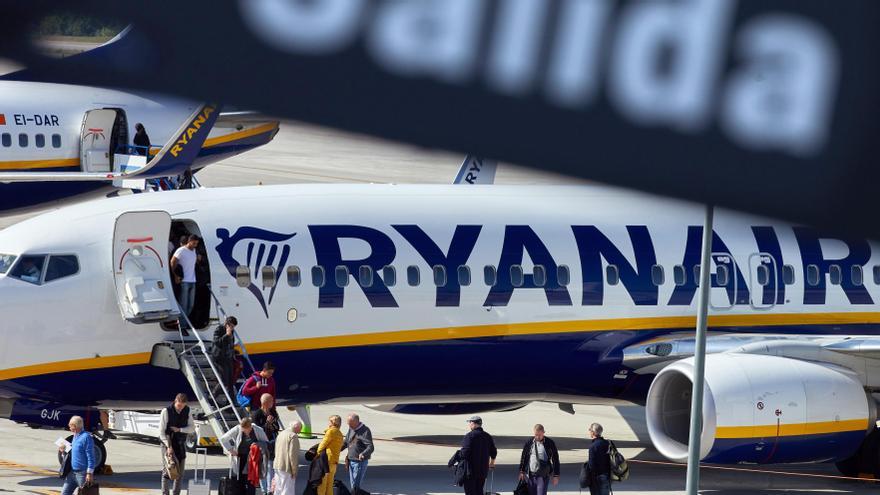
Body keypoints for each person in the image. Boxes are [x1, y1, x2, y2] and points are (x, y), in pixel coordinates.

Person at [220, 418, 270, 495]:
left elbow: (266, 443)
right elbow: (223, 438)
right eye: (243, 429)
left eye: (247, 429)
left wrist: (257, 444)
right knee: (240, 479)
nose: (245, 431)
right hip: (241, 458)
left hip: (254, 459)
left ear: (251, 426)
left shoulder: (258, 430)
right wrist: (230, 450)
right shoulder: (238, 428)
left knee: (251, 479)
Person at [159, 393, 196, 495]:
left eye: (183, 406)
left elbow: (192, 428)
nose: (180, 408)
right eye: (179, 406)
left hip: (180, 443)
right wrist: (168, 446)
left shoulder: (187, 410)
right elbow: (161, 432)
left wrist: (180, 429)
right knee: (168, 471)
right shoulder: (166, 411)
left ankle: (176, 493)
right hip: (167, 442)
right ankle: (165, 493)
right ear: (175, 401)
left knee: (180, 473)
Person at [518, 424, 561, 495]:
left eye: (539, 435)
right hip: (531, 475)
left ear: (543, 432)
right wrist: (521, 471)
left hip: (543, 475)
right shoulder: (529, 442)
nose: (537, 437)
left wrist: (556, 475)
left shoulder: (549, 443)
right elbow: (524, 457)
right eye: (536, 435)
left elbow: (555, 459)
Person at [460, 416, 497, 495]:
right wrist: (492, 463)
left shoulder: (469, 436)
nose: (469, 425)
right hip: (483, 471)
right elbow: (493, 452)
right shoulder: (487, 436)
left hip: (470, 471)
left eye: (470, 423)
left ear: (473, 424)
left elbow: (464, 453)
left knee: (470, 492)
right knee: (479, 491)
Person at [59, 415, 95, 495]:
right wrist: (63, 451)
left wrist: (89, 473)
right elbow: (74, 453)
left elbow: (91, 457)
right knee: (64, 493)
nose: (69, 428)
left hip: (83, 474)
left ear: (74, 426)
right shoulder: (75, 436)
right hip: (72, 472)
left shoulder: (86, 437)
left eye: (70, 426)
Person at [251, 393, 280, 494]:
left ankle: (270, 490)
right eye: (271, 401)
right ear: (265, 403)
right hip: (262, 443)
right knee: (263, 467)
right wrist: (267, 423)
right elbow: (256, 430)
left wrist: (272, 423)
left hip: (272, 442)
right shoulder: (256, 414)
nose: (273, 403)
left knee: (271, 466)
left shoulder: (273, 412)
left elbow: (277, 428)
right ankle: (264, 490)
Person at [171, 235, 200, 330]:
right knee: (183, 305)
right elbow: (172, 262)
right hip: (184, 281)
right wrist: (175, 275)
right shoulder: (181, 250)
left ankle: (182, 322)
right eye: (194, 243)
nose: (195, 245)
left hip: (193, 280)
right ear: (189, 241)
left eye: (197, 243)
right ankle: (182, 326)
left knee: (190, 305)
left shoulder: (194, 251)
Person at [342, 413, 374, 493]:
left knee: (356, 485)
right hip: (351, 460)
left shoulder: (365, 431)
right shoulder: (351, 428)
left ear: (357, 422)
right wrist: (337, 450)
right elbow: (346, 442)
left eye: (351, 424)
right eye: (348, 424)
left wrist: (363, 454)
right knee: (353, 485)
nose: (349, 426)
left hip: (359, 462)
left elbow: (370, 446)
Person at [316, 415, 344, 495]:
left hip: (327, 461)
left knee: (322, 484)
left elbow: (322, 446)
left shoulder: (331, 431)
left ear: (332, 422)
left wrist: (318, 454)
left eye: (329, 421)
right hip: (334, 462)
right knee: (330, 484)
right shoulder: (340, 433)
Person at [211, 316, 238, 397]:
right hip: (220, 358)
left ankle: (231, 400)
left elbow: (230, 344)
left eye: (233, 327)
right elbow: (217, 342)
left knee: (231, 381)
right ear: (227, 324)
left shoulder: (231, 331)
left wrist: (233, 353)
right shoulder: (219, 329)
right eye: (232, 326)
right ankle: (213, 395)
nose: (233, 328)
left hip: (228, 358)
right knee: (224, 381)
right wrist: (226, 335)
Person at [273, 421, 302, 495]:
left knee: (278, 489)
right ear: (297, 428)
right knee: (287, 490)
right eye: (300, 429)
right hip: (286, 467)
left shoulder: (282, 433)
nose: (300, 432)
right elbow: (293, 456)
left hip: (277, 465)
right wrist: (294, 470)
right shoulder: (293, 436)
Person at [587, 423, 611, 495]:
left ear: (593, 432)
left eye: (590, 430)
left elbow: (592, 466)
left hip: (597, 478)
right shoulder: (607, 443)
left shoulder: (593, 446)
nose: (589, 432)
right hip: (606, 476)